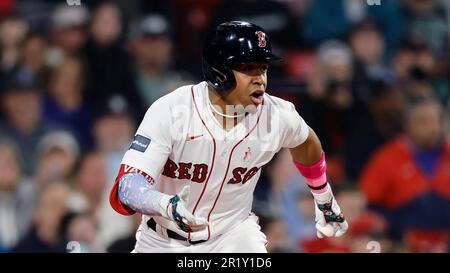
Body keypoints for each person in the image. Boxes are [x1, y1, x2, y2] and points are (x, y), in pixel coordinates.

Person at [109, 21, 348, 253]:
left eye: (263, 68)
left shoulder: (277, 115)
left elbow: (306, 143)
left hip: (232, 237)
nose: (260, 78)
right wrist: (163, 204)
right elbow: (128, 187)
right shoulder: (172, 110)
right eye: (248, 69)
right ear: (219, 71)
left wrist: (323, 196)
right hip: (163, 241)